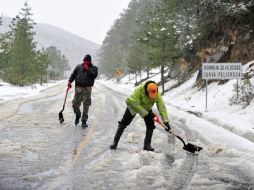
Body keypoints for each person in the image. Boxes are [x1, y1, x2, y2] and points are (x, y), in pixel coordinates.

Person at [110, 80, 171, 151]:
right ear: (146, 91)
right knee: (124, 123)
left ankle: (147, 146)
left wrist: (166, 121)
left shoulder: (156, 93)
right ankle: (115, 142)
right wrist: (146, 114)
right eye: (150, 95)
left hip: (146, 107)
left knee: (150, 124)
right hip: (133, 106)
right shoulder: (138, 90)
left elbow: (161, 106)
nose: (152, 97)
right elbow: (135, 104)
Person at [68, 54, 98, 128]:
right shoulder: (78, 67)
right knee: (75, 104)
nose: (85, 62)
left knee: (86, 105)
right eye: (84, 61)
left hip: (87, 88)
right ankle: (78, 115)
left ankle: (84, 121)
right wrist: (69, 82)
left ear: (90, 61)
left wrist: (88, 69)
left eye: (87, 61)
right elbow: (73, 74)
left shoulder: (94, 68)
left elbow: (94, 75)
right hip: (78, 88)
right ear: (83, 60)